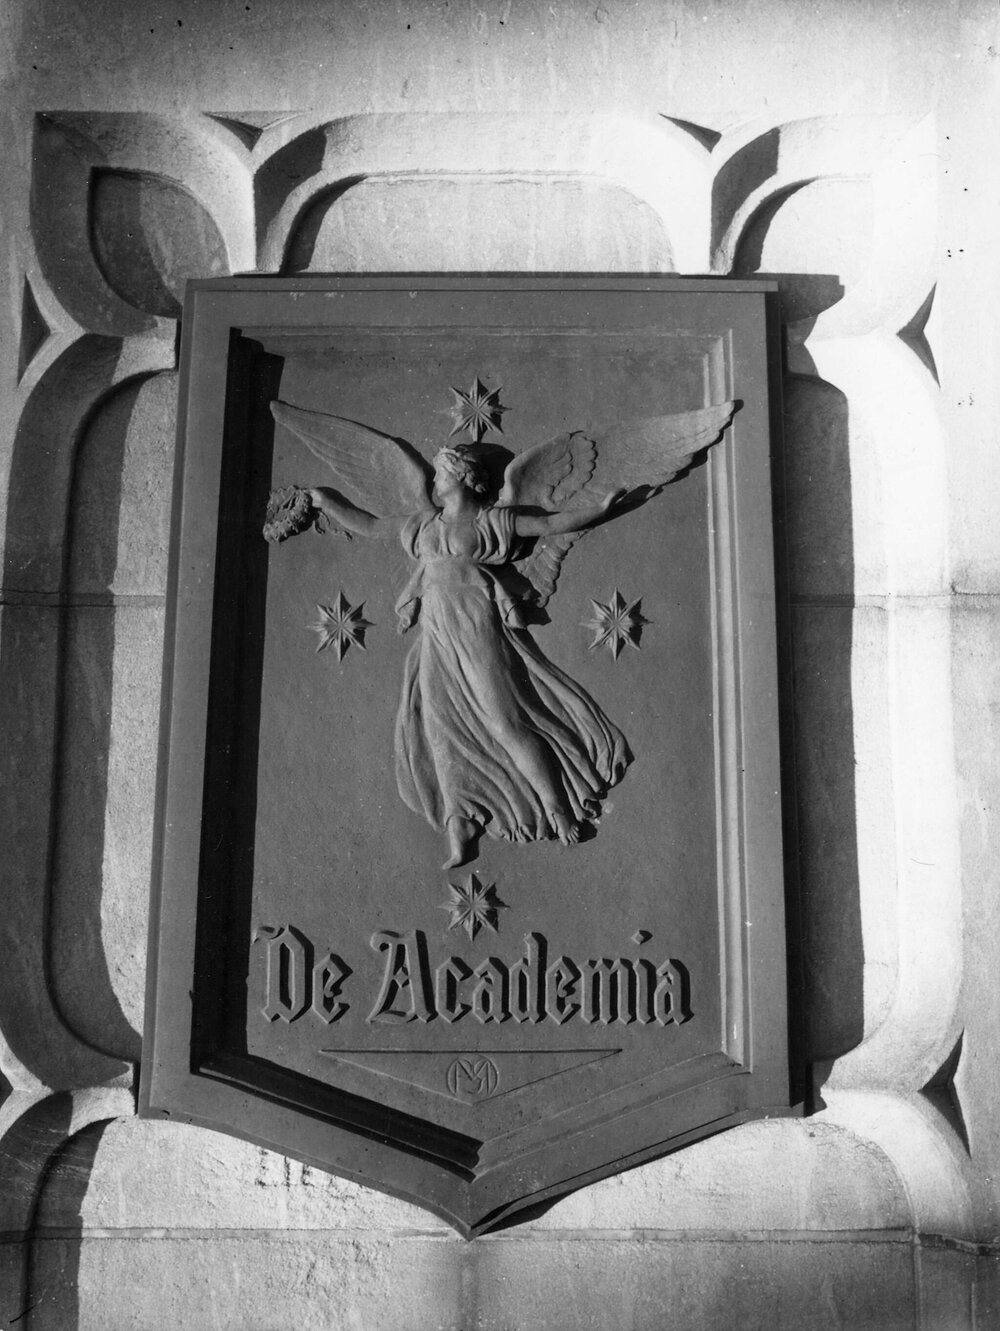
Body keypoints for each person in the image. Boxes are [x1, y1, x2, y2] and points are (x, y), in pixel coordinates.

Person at [307, 444, 630, 869]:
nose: (434, 480)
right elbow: (368, 525)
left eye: (440, 473)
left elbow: (550, 523)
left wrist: (601, 508)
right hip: (437, 636)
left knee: (505, 722)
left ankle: (556, 808)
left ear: (459, 476)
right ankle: (459, 825)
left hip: (477, 631)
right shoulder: (423, 525)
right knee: (439, 728)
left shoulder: (493, 521)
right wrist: (325, 502)